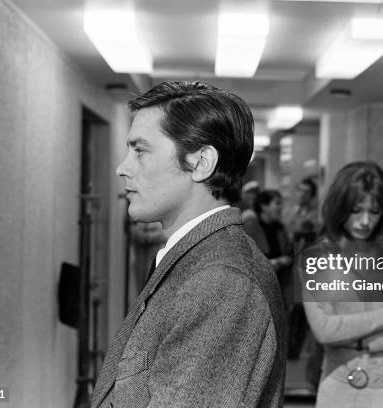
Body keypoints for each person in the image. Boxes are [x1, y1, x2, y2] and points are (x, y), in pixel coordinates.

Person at [91, 81, 286, 408]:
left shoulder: (220, 281)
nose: (122, 168)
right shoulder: (197, 259)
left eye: (140, 150)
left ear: (200, 162)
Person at [304, 161, 383, 408]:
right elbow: (325, 330)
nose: (365, 221)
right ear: (340, 208)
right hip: (339, 385)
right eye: (356, 210)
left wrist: (359, 343)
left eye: (374, 212)